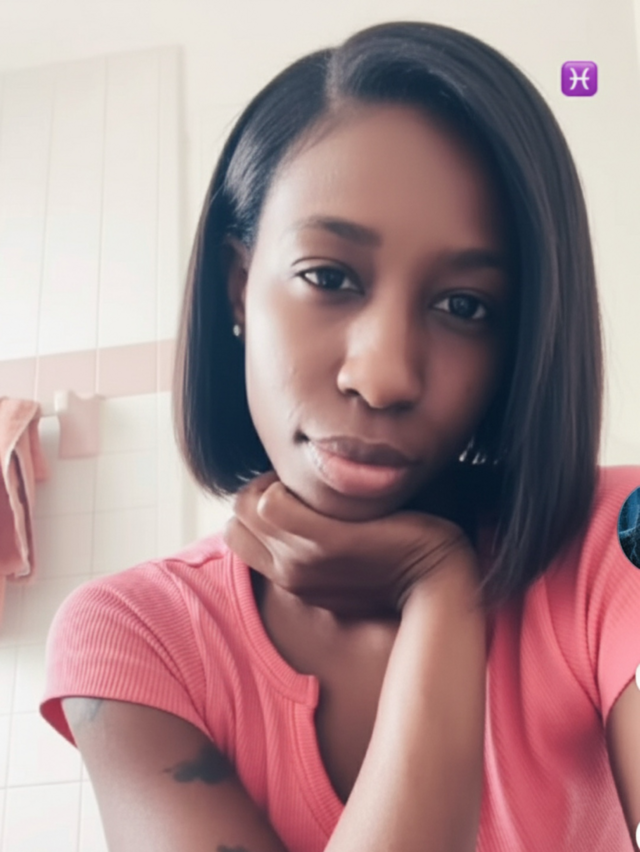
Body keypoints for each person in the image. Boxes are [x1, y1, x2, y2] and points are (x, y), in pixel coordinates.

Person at [40, 20, 640, 852]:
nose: (383, 376)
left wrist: (444, 586)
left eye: (465, 306)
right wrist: (438, 592)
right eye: (328, 277)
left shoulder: (613, 546)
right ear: (240, 287)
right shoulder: (138, 637)